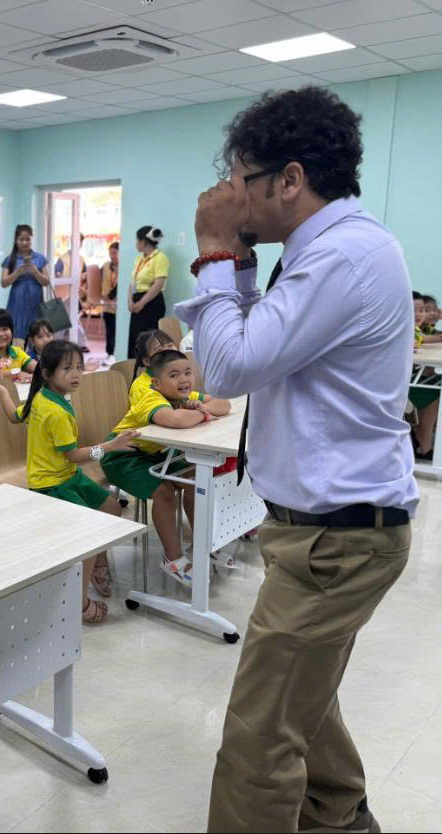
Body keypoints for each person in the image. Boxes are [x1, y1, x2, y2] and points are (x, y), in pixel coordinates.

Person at [176, 86, 417, 833]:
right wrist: (242, 267)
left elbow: (228, 367)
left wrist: (215, 252)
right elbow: (265, 343)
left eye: (240, 179)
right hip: (326, 533)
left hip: (336, 542)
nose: (229, 196)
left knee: (258, 741)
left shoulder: (342, 256)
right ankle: (340, 815)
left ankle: (333, 815)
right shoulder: (326, 251)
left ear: (290, 179)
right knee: (303, 697)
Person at [0, 340, 141, 623]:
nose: (76, 374)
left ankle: (97, 563)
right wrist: (111, 445)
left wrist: (1, 390)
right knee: (89, 534)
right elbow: (75, 455)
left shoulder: (44, 396)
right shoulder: (54, 411)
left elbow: (14, 415)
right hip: (52, 484)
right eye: (67, 369)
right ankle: (80, 603)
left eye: (79, 367)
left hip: (68, 475)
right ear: (47, 373)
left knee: (112, 508)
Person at [101, 350, 231, 585]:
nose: (184, 379)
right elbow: (176, 420)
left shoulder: (182, 394)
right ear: (157, 383)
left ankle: (204, 544)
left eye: (188, 372)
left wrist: (196, 409)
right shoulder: (150, 397)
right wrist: (201, 413)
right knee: (163, 491)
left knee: (195, 476)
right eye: (174, 375)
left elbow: (224, 404)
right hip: (122, 455)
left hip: (156, 453)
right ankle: (173, 558)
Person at [0, 224, 50, 344]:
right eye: (21, 239)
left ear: (32, 239)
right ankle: (17, 355)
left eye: (27, 239)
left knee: (36, 332)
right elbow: (3, 283)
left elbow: (46, 282)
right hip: (17, 302)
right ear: (16, 240)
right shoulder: (10, 259)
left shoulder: (40, 258)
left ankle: (34, 355)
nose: (24, 242)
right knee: (16, 332)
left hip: (36, 302)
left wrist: (36, 272)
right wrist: (17, 272)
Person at [126, 225, 169, 359]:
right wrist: (130, 300)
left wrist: (141, 303)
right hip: (137, 300)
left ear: (144, 242)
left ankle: (149, 369)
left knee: (148, 342)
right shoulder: (139, 259)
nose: (136, 243)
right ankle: (134, 369)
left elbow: (158, 284)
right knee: (135, 340)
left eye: (137, 240)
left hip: (151, 302)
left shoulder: (160, 258)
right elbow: (133, 281)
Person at [410, 291, 439, 459]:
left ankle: (423, 442)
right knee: (434, 390)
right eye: (414, 310)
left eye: (422, 310)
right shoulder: (403, 329)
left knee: (435, 383)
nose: (420, 314)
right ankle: (423, 443)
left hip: (407, 378)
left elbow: (425, 338)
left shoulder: (414, 330)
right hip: (394, 385)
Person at [130, 328, 177, 402]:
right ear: (147, 361)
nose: (169, 351)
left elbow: (191, 396)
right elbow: (166, 410)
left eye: (170, 346)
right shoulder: (142, 388)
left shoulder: (175, 376)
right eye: (159, 350)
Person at [101, 241, 120, 362]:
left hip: (118, 305)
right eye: (110, 253)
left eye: (114, 253)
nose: (112, 256)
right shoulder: (106, 266)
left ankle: (117, 352)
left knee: (117, 330)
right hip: (107, 304)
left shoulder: (123, 267)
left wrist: (112, 296)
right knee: (109, 330)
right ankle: (110, 353)